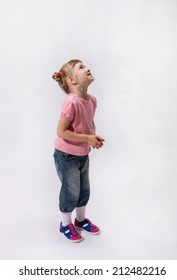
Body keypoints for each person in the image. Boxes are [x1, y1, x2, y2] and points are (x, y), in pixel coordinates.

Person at [52, 59, 105, 242]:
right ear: (72, 80)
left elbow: (89, 122)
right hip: (66, 156)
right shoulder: (71, 102)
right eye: (81, 67)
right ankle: (65, 224)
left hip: (82, 154)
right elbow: (61, 131)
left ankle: (80, 221)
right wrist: (87, 138)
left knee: (84, 189)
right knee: (70, 190)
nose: (88, 67)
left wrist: (93, 137)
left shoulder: (91, 100)